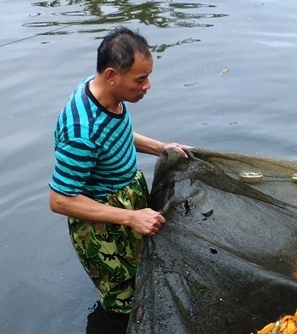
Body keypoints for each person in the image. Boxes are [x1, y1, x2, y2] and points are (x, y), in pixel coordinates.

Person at [49, 26, 192, 315]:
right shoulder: (81, 133)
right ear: (112, 75)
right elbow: (60, 200)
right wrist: (131, 217)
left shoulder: (104, 93)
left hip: (128, 200)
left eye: (148, 76)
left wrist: (161, 148)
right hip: (103, 228)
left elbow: (116, 135)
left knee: (145, 272)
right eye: (141, 79)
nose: (148, 85)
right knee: (125, 299)